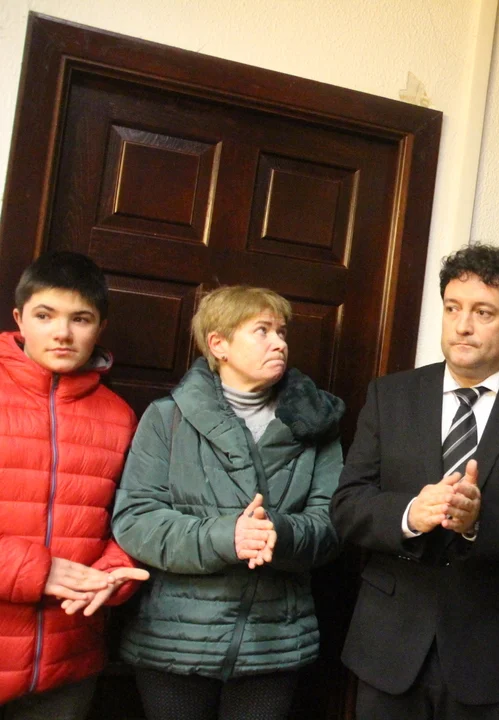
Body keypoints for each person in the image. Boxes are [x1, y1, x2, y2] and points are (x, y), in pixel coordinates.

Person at [331, 244, 499, 720]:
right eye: (453, 308)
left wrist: (478, 521)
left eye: (483, 312)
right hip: (389, 647)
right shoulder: (391, 395)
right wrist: (409, 513)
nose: (462, 325)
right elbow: (347, 505)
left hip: (493, 655)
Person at [110, 286, 343, 720]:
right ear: (219, 344)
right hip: (174, 641)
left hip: (273, 645)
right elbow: (135, 520)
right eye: (262, 331)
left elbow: (333, 525)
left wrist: (280, 534)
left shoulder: (317, 425)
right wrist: (227, 536)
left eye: (282, 332)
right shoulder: (167, 417)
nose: (279, 343)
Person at [0, 252, 148, 719]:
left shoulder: (121, 417)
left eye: (80, 319)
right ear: (20, 319)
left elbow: (132, 518)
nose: (62, 333)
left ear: (100, 327)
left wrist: (114, 572)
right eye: (45, 316)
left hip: (69, 663)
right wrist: (32, 571)